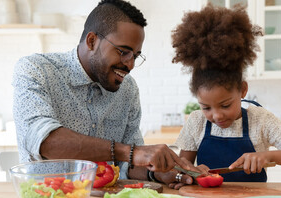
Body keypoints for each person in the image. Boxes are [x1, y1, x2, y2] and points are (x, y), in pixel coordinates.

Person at [12, 0, 199, 179]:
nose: (130, 64)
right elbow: (44, 142)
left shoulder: (128, 89)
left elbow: (128, 165)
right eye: (123, 52)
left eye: (135, 56)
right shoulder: (36, 70)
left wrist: (157, 172)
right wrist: (128, 152)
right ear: (92, 41)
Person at [152, 3, 281, 188]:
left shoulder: (262, 121)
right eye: (206, 107)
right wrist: (190, 174)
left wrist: (268, 155)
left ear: (242, 90)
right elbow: (182, 169)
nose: (216, 115)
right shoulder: (196, 122)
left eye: (225, 105)